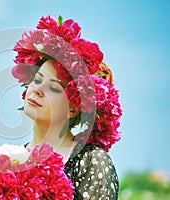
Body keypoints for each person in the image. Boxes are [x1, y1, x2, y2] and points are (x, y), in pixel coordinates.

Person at [12, 15, 122, 199]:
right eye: (37, 80)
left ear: (74, 108)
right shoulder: (14, 158)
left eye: (54, 88)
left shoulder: (91, 162)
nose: (38, 90)